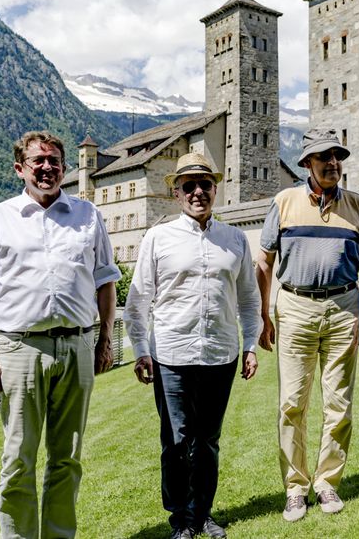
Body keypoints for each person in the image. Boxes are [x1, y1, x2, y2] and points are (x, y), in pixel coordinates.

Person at [0, 131, 121, 538]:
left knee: (67, 458)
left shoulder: (88, 215)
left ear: (65, 168)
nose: (47, 168)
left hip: (77, 345)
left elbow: (106, 282)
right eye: (38, 161)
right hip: (20, 348)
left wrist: (104, 341)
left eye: (54, 161)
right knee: (18, 456)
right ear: (21, 169)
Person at [124, 153, 263, 539]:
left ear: (215, 189)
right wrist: (139, 349)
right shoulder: (158, 237)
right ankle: (181, 519)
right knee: (176, 441)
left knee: (208, 441)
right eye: (189, 186)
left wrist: (250, 344)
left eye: (205, 184)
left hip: (220, 353)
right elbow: (138, 301)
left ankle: (203, 514)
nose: (198, 192)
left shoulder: (234, 240)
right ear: (177, 193)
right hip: (171, 353)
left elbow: (249, 299)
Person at [256, 129, 359, 522]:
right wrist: (262, 314)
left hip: (343, 309)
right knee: (292, 403)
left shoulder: (357, 205)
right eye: (324, 157)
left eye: (337, 156)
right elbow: (264, 263)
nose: (332, 163)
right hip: (295, 307)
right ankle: (295, 487)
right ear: (307, 163)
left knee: (339, 405)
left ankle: (326, 484)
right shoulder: (284, 201)